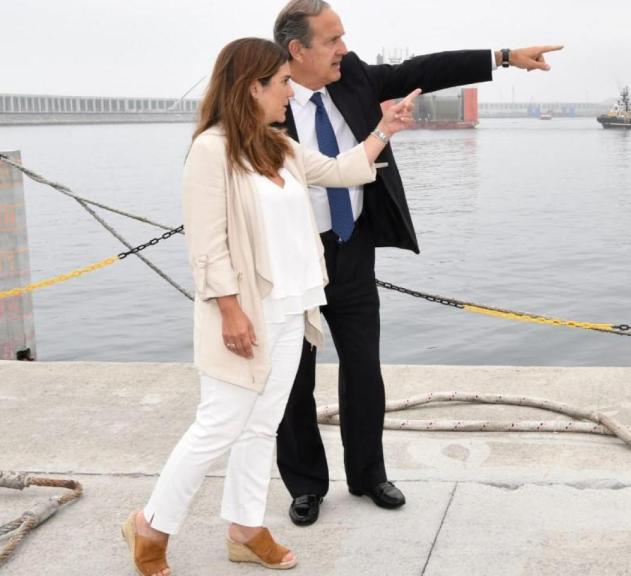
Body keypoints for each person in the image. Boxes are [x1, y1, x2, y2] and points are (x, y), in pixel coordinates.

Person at [120, 37, 419, 576]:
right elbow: (207, 246)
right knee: (217, 425)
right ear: (251, 86)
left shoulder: (277, 144)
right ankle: (151, 524)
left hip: (295, 307)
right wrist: (231, 311)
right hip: (248, 314)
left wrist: (384, 130)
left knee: (261, 426)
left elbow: (338, 170)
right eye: (282, 82)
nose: (290, 91)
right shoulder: (212, 150)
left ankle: (244, 526)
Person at [272, 0, 563, 526]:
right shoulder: (263, 98)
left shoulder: (354, 76)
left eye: (344, 37)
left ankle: (367, 476)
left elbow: (421, 70)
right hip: (291, 257)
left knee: (364, 371)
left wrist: (502, 56)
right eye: (333, 40)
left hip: (351, 246)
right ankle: (306, 486)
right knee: (295, 377)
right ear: (297, 50)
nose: (345, 48)